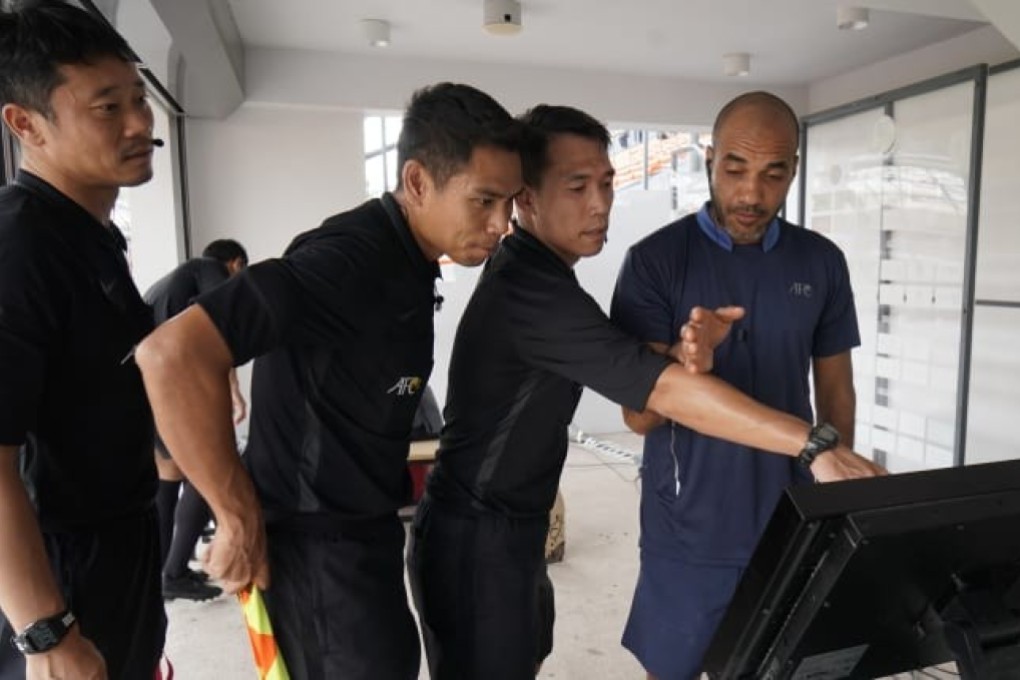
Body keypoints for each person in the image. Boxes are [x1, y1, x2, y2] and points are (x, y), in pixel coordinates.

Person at [407, 104, 884, 680]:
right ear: (526, 198)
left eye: (607, 184)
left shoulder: (546, 278)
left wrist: (685, 359)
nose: (601, 203)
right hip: (480, 540)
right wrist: (815, 445)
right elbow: (656, 396)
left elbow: (642, 364)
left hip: (512, 532)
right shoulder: (538, 290)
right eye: (578, 187)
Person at [135, 82, 523, 679]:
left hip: (361, 536)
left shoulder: (408, 259)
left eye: (511, 203)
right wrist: (234, 511)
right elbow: (171, 354)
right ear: (418, 182)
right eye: (484, 201)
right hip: (316, 553)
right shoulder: (349, 260)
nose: (502, 224)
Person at [610, 91, 863, 680]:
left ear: (794, 170)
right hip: (688, 528)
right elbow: (637, 419)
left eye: (774, 174)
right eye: (736, 169)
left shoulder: (822, 262)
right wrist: (683, 363)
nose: (752, 194)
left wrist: (835, 490)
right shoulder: (654, 262)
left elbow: (836, 390)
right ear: (708, 160)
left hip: (791, 517)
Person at [0, 2, 166, 678]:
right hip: (57, 566)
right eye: (107, 108)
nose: (140, 124)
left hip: (120, 543)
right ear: (25, 123)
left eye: (140, 99)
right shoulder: (21, 250)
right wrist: (47, 635)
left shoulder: (90, 240)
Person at [145, 239, 249, 602]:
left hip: (149, 391)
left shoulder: (169, 282)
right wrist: (231, 392)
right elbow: (220, 332)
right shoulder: (212, 271)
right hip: (177, 390)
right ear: (235, 263)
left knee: (169, 479)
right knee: (207, 478)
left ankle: (159, 573)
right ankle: (172, 573)